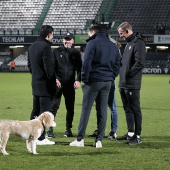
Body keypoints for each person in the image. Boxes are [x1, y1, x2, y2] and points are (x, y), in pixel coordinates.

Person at [69, 25, 120, 148]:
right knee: (102, 111)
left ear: (93, 32)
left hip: (93, 81)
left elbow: (86, 63)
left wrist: (85, 80)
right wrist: (111, 77)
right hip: (107, 82)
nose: (88, 36)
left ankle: (80, 139)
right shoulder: (113, 45)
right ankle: (99, 141)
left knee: (86, 110)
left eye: (88, 34)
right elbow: (118, 64)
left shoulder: (92, 43)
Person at [47, 32, 82, 138]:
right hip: (58, 85)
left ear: (73, 41)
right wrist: (56, 79)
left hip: (70, 85)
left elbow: (80, 69)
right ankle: (49, 129)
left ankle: (68, 129)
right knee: (53, 107)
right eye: (65, 39)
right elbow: (52, 67)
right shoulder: (56, 51)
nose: (67, 41)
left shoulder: (76, 53)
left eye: (69, 39)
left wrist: (78, 80)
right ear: (62, 40)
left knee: (70, 108)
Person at [116, 22, 146, 145]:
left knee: (135, 109)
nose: (121, 36)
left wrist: (128, 74)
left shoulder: (138, 43)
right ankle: (130, 133)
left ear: (127, 31)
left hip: (132, 83)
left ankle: (137, 136)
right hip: (124, 83)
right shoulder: (129, 43)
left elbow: (139, 63)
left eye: (121, 33)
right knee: (127, 109)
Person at [28, 25, 56, 145]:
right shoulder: (46, 47)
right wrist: (52, 81)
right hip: (45, 85)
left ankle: (30, 135)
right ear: (48, 35)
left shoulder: (32, 46)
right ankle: (40, 138)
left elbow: (29, 66)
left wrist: (36, 76)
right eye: (52, 34)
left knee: (35, 110)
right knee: (44, 112)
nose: (52, 36)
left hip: (35, 83)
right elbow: (48, 68)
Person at [89, 39, 121, 140]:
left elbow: (117, 66)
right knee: (100, 107)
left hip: (109, 82)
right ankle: (100, 129)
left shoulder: (114, 50)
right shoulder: (109, 48)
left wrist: (111, 77)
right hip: (100, 81)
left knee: (112, 106)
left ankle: (113, 131)